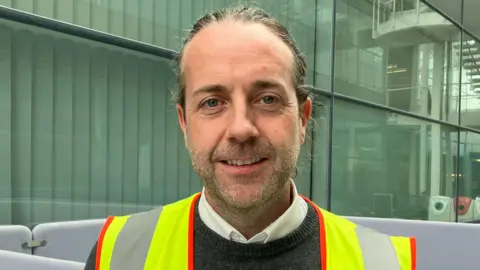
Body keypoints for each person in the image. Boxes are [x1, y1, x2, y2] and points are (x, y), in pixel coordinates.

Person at [84, 5, 416, 270]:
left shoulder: (383, 262)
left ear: (303, 118)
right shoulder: (118, 255)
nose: (242, 129)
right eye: (212, 102)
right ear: (184, 122)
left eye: (267, 99)